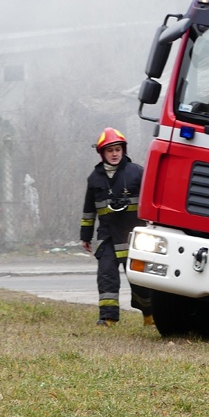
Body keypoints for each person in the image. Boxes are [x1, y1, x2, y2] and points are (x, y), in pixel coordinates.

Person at [80, 127, 153, 327]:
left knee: (140, 280)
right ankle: (108, 317)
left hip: (134, 235)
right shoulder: (94, 178)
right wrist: (85, 235)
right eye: (110, 150)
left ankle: (150, 316)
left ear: (123, 151)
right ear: (102, 153)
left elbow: (150, 200)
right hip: (107, 236)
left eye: (117, 149)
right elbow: (89, 210)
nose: (114, 154)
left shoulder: (137, 173)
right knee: (106, 276)